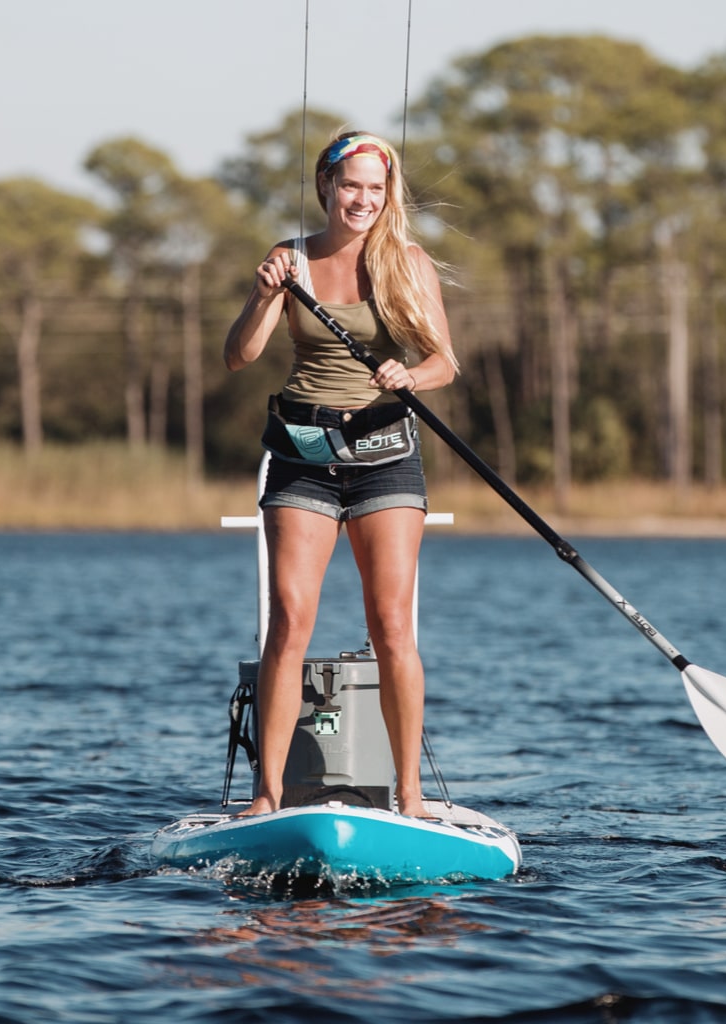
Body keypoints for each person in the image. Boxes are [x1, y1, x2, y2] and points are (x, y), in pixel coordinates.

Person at [223, 130, 458, 820]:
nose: (362, 199)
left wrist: (408, 373)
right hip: (302, 453)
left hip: (385, 452)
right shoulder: (286, 257)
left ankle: (410, 796)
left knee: (390, 625)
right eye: (350, 185)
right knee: (290, 620)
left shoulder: (407, 263)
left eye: (375, 190)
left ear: (388, 198)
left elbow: (445, 363)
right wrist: (267, 296)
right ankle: (267, 795)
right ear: (326, 186)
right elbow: (239, 355)